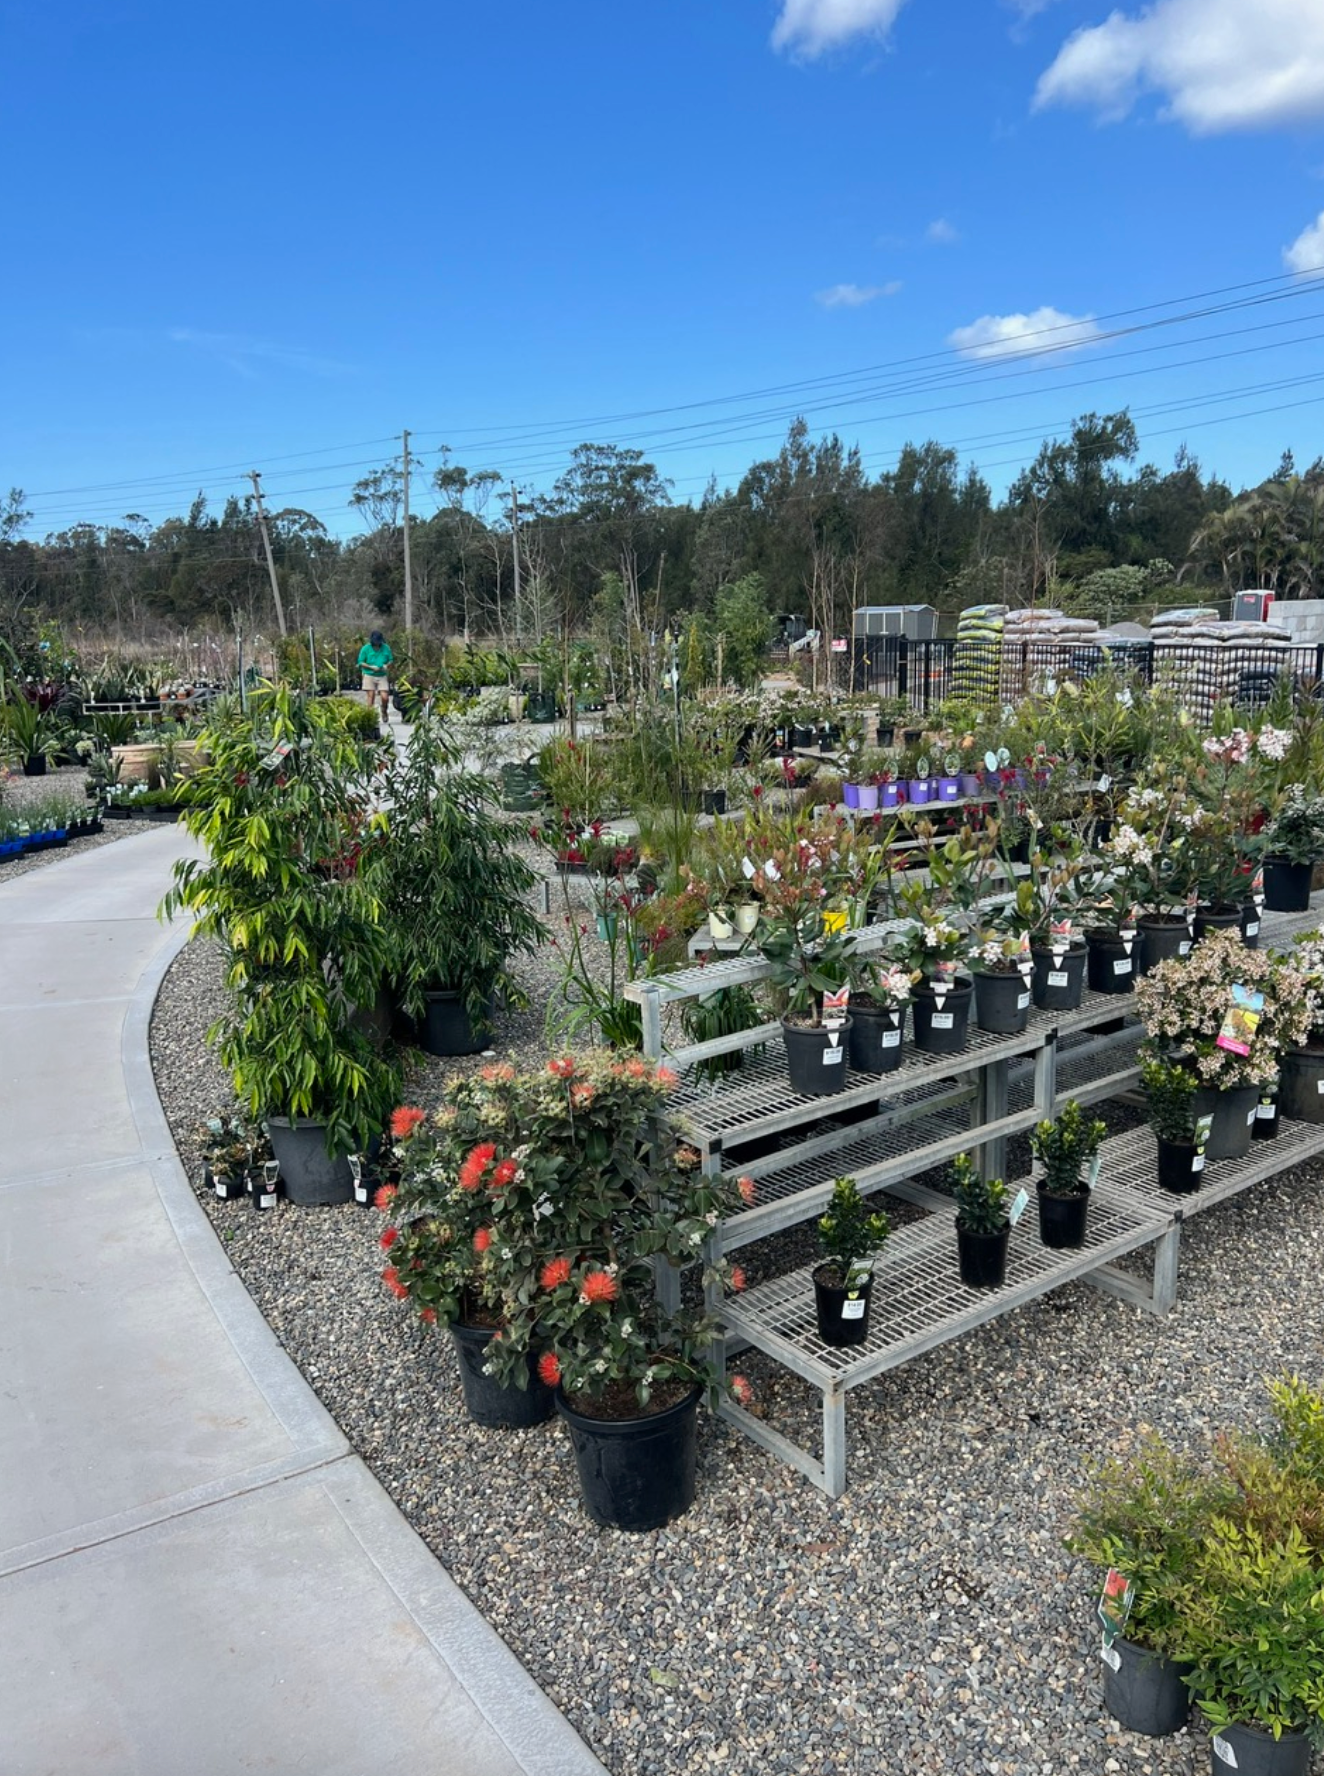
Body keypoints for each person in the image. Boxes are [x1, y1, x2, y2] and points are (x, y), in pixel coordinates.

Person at [357, 630, 394, 722]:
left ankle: (384, 710)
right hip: (369, 673)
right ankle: (370, 716)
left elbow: (391, 660)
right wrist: (371, 667)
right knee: (371, 695)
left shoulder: (386, 648)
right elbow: (360, 662)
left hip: (382, 674)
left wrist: (386, 665)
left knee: (384, 696)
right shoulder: (366, 649)